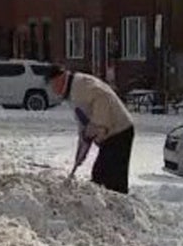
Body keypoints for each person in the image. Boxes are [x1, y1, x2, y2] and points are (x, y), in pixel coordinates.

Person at [48, 65, 136, 194]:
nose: (53, 89)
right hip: (111, 135)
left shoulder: (80, 84)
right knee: (102, 175)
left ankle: (117, 208)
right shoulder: (72, 93)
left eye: (52, 84)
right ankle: (110, 205)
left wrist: (98, 125)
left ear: (60, 78)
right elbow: (84, 126)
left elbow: (103, 97)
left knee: (108, 177)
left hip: (119, 130)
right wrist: (80, 154)